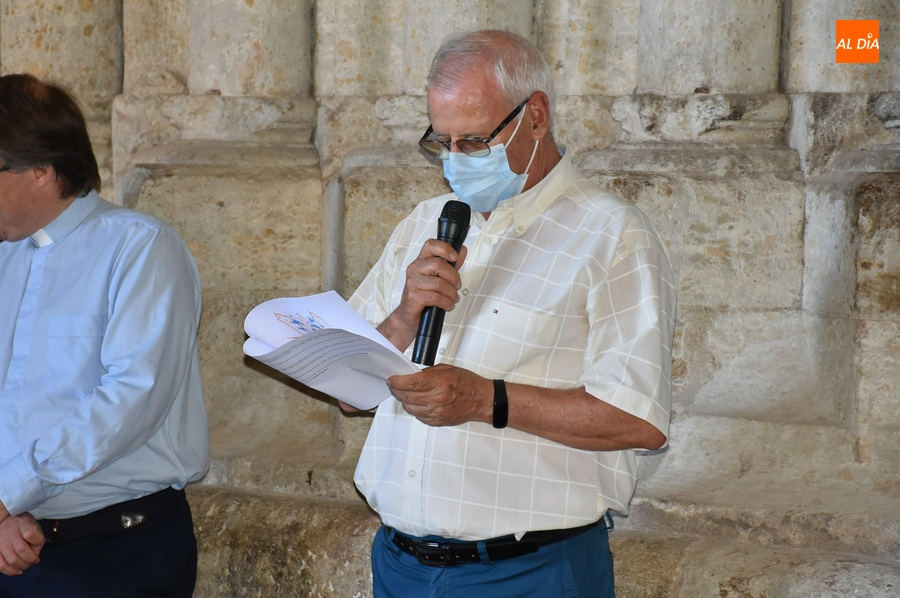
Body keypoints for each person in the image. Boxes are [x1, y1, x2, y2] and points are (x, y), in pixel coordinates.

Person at [341, 30, 677, 597]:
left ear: (536, 116)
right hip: (401, 566)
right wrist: (403, 316)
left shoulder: (612, 235)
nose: (455, 160)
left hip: (528, 572)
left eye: (474, 141)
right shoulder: (424, 222)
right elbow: (349, 396)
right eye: (442, 142)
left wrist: (484, 400)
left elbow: (637, 419)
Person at [0, 74, 209, 598]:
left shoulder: (140, 248)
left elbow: (131, 397)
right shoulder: (6, 254)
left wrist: (9, 493)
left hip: (115, 550)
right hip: (17, 540)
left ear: (41, 170)